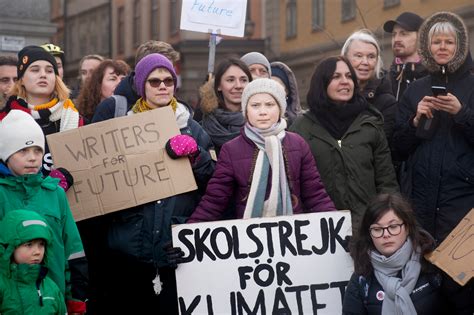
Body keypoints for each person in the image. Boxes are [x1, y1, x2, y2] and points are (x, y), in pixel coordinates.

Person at [98, 53, 214, 314]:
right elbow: (103, 187)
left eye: (168, 80)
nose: (163, 86)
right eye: (154, 81)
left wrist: (197, 156)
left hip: (176, 248)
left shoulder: (194, 130)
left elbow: (213, 185)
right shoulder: (119, 129)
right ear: (141, 86)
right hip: (129, 251)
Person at [393, 11, 474, 312]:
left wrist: (462, 114)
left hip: (464, 211)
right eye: (436, 41)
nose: (442, 47)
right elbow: (398, 148)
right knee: (426, 298)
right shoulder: (415, 89)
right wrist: (416, 120)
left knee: (463, 295)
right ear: (427, 46)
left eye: (449, 41)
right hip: (422, 210)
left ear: (460, 46)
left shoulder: (473, 86)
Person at [188, 78, 335, 223]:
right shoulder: (231, 150)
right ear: (246, 111)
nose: (263, 112)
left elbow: (315, 194)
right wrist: (188, 233)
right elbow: (214, 200)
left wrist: (337, 225)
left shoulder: (298, 144)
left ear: (280, 109)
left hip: (292, 238)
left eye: (270, 104)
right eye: (255, 105)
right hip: (251, 240)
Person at [290, 56, 399, 233]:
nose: (344, 82)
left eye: (349, 76)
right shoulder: (300, 129)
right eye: (336, 77)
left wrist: (387, 220)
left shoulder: (370, 124)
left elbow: (386, 182)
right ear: (321, 83)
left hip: (369, 229)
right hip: (320, 233)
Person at [0, 110, 88, 314]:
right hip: (9, 302)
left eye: (38, 151)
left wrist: (75, 296)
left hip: (53, 298)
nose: (32, 158)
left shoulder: (55, 193)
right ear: (5, 154)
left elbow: (73, 249)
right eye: (23, 151)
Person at [342, 193, 445, 315]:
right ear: (369, 234)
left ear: (407, 228)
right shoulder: (361, 278)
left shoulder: (431, 264)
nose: (386, 234)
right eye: (377, 229)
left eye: (393, 226)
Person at [0, 45, 84, 176]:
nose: (43, 75)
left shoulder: (77, 119)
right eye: (35, 70)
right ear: (21, 79)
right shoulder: (4, 120)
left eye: (50, 71)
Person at [92, 40, 180, 123]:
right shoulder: (112, 108)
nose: (163, 85)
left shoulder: (182, 112)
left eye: (169, 69)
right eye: (158, 69)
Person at [0, 209, 67, 314]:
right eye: (29, 244)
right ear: (10, 248)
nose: (37, 252)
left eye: (41, 244)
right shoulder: (3, 286)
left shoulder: (51, 287)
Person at [341, 29, 398, 142]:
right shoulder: (333, 95)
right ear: (345, 59)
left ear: (377, 61)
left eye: (371, 57)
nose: (365, 62)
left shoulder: (386, 102)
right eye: (358, 56)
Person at [200, 57, 252, 155]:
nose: (238, 85)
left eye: (243, 80)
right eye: (230, 80)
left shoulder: (262, 123)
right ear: (219, 85)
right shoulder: (202, 129)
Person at [383, 12, 428, 100]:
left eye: (403, 34)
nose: (396, 39)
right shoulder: (385, 81)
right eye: (394, 34)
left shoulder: (432, 77)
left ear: (420, 37)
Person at [270, 61, 302, 126]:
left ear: (286, 91)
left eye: (278, 85)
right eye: (270, 84)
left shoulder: (300, 120)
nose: (273, 89)